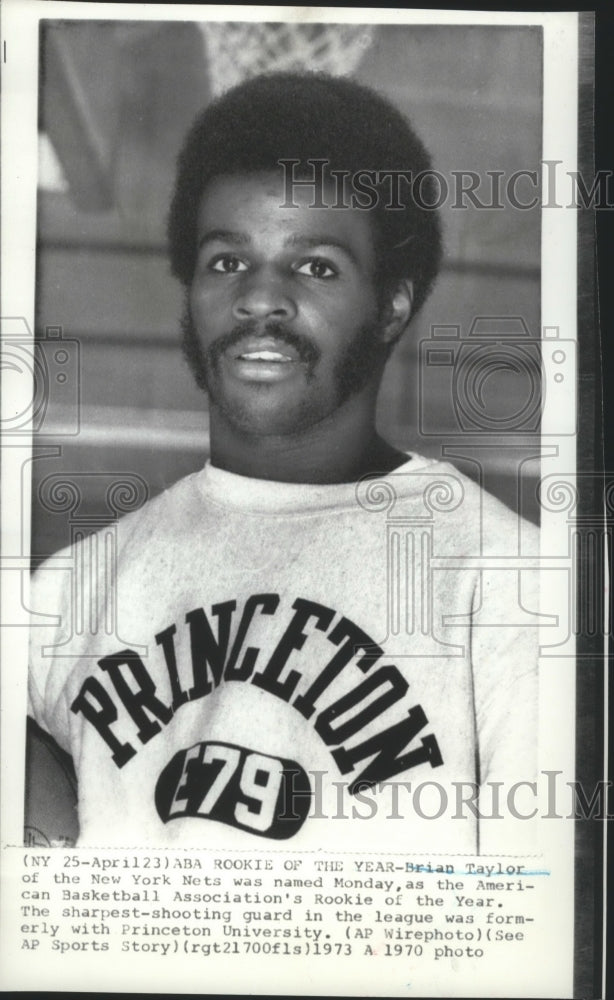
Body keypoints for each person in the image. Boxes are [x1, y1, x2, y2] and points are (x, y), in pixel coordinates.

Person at [28, 71, 538, 851]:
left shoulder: (505, 576)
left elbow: (534, 935)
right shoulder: (65, 591)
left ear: (393, 304)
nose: (260, 298)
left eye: (316, 266)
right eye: (227, 261)